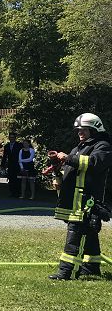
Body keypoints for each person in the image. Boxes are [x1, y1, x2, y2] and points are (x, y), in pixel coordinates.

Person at [48, 113, 112, 280]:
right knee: (89, 234)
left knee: (75, 234)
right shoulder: (79, 148)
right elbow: (73, 170)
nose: (80, 132)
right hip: (75, 200)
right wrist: (57, 173)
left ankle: (66, 272)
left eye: (84, 129)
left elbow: (94, 163)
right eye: (78, 130)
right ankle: (91, 267)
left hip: (87, 201)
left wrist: (68, 158)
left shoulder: (102, 146)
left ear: (94, 130)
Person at [2, 133, 23, 197]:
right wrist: (3, 164)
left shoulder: (19, 145)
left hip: (17, 164)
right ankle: (12, 192)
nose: (11, 139)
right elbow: (5, 156)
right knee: (11, 178)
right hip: (10, 164)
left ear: (15, 138)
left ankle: (18, 192)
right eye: (10, 137)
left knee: (17, 179)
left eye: (13, 137)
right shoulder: (7, 146)